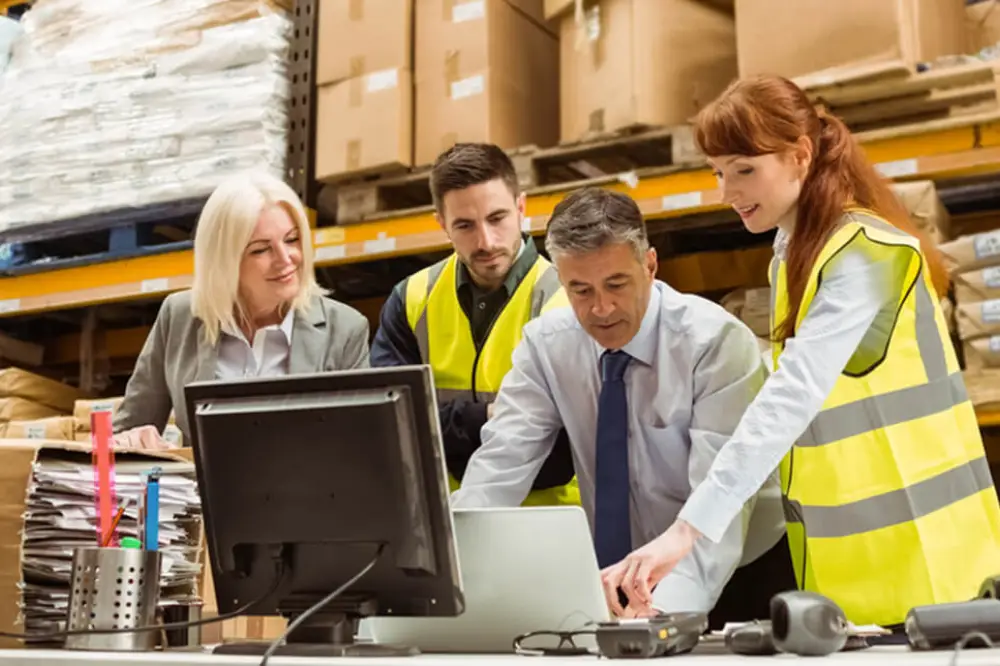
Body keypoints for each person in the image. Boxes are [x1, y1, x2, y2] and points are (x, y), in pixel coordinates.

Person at [602, 74, 1000, 628]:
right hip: (860, 570)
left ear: (800, 156)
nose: (728, 191)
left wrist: (687, 531)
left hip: (931, 562)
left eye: (744, 170)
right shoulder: (796, 252)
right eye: (719, 172)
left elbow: (792, 396)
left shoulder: (860, 256)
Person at [450, 187, 793, 626]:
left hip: (736, 573)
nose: (601, 308)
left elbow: (718, 511)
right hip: (615, 578)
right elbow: (500, 464)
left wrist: (658, 620)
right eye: (580, 290)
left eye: (616, 284)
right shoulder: (547, 345)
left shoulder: (715, 344)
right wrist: (446, 573)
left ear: (650, 265)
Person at [370, 143, 579, 506]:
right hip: (448, 524)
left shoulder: (569, 299)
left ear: (521, 207)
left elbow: (560, 445)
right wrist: (487, 416)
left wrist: (444, 424)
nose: (486, 241)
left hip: (550, 523)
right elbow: (389, 423)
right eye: (465, 225)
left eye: (497, 218)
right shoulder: (412, 301)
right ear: (441, 223)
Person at [113, 171, 371, 449]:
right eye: (261, 250)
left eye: (292, 239)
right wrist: (131, 441)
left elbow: (361, 448)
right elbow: (127, 431)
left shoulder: (345, 330)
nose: (285, 259)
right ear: (224, 262)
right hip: (201, 492)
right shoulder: (179, 316)